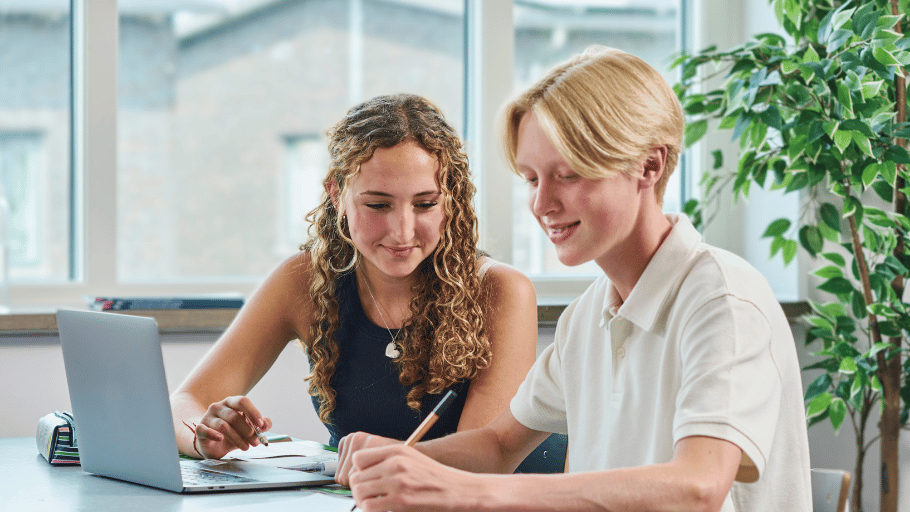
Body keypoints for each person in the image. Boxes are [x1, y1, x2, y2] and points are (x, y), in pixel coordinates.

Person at [335, 47, 812, 511]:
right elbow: (499, 445)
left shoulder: (723, 298)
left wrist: (470, 493)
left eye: (568, 175)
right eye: (531, 179)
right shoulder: (589, 315)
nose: (542, 204)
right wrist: (399, 461)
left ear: (650, 165)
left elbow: (697, 488)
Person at [170, 94, 538, 460]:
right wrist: (204, 435)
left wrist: (383, 456)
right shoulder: (303, 280)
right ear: (337, 194)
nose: (402, 231)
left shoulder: (502, 290)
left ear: (451, 200)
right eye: (378, 204)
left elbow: (482, 461)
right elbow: (183, 403)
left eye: (425, 204)